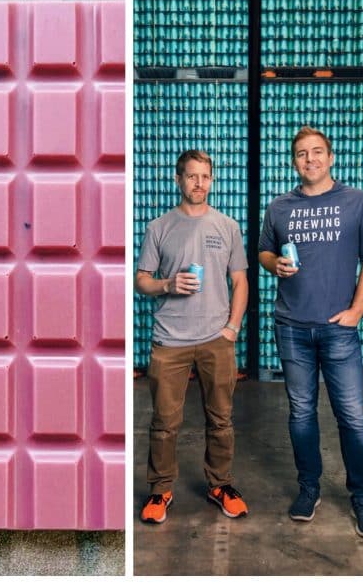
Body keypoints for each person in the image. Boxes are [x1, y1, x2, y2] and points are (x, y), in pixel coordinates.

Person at [257, 126, 363, 537]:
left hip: (338, 330)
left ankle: (362, 497)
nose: (309, 159)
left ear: (330, 157)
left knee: (353, 418)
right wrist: (273, 264)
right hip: (291, 327)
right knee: (301, 414)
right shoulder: (279, 207)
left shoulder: (358, 202)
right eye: (301, 154)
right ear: (294, 161)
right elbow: (263, 252)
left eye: (316, 152)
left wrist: (357, 310)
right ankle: (308, 489)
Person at [135, 149, 248, 524]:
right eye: (192, 176)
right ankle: (160, 489)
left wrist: (232, 327)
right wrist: (167, 283)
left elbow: (240, 281)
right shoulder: (159, 227)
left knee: (221, 419)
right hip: (170, 341)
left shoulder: (227, 226)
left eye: (205, 176)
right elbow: (142, 281)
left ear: (211, 180)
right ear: (178, 179)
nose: (199, 183)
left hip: (216, 338)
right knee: (165, 422)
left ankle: (221, 485)